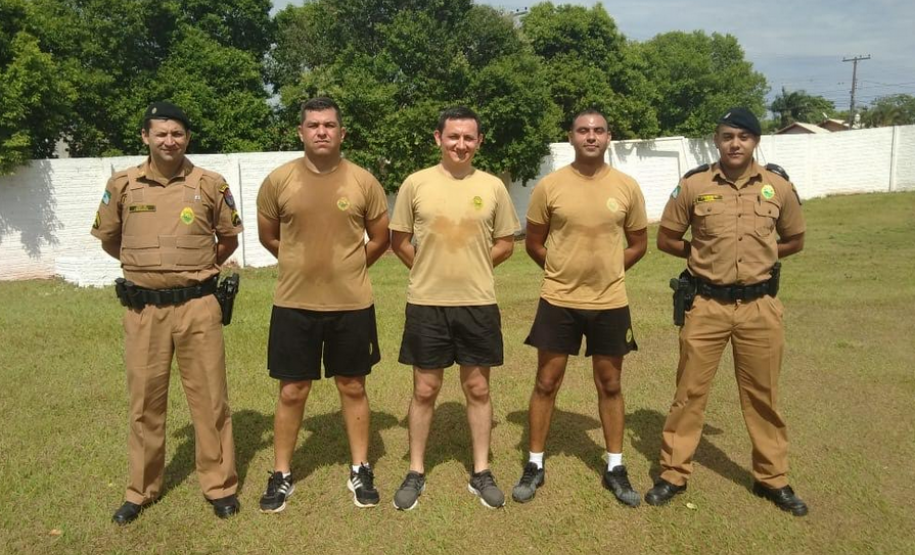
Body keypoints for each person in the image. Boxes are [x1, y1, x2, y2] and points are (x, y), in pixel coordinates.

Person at [644, 107, 808, 516]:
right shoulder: (694, 185)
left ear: (756, 141)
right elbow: (666, 238)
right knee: (689, 394)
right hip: (706, 306)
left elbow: (795, 239)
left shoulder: (777, 186)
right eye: (727, 136)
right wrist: (701, 254)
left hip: (760, 308)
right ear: (716, 140)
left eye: (744, 137)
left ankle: (772, 478)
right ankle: (673, 473)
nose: (735, 144)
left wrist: (764, 259)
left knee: (763, 396)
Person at [92, 101, 241, 524]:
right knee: (144, 403)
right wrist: (147, 269)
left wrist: (192, 271)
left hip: (198, 307)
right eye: (161, 133)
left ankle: (220, 486)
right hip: (144, 312)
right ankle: (141, 490)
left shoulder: (210, 183)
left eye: (177, 133)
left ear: (187, 138)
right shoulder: (122, 185)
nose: (169, 140)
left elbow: (227, 239)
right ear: (145, 137)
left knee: (211, 401)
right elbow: (109, 240)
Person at [255, 97, 390, 511]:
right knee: (293, 390)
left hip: (351, 305)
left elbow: (380, 239)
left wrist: (347, 267)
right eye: (313, 125)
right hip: (295, 305)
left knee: (352, 385)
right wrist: (301, 264)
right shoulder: (279, 181)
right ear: (301, 132)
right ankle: (281, 474)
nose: (321, 131)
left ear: (342, 132)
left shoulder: (364, 182)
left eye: (330, 125)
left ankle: (361, 467)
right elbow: (268, 236)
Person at [510, 109, 648, 506]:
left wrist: (609, 269)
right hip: (559, 302)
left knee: (610, 384)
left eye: (599, 130)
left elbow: (638, 243)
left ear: (609, 137)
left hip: (610, 303)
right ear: (570, 136)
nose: (591, 136)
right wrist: (560, 269)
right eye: (583, 130)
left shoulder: (626, 187)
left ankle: (615, 467)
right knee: (546, 383)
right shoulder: (549, 186)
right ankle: (535, 463)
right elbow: (534, 241)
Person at [389, 106, 520, 510]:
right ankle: (415, 470)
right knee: (425, 389)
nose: (460, 144)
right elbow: (399, 240)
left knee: (477, 387)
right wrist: (429, 269)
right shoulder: (415, 184)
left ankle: (481, 471)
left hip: (478, 303)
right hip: (427, 304)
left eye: (468, 138)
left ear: (479, 141)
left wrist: (473, 266)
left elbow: (505, 243)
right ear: (438, 139)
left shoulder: (494, 187)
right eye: (453, 137)